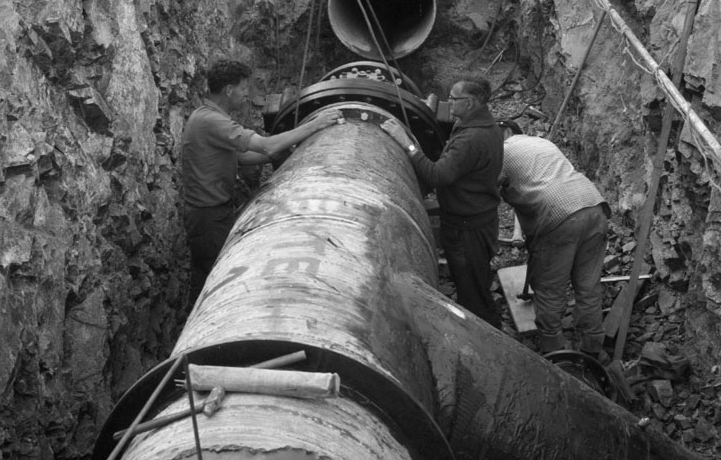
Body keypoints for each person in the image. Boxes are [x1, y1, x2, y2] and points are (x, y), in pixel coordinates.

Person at [182, 58, 343, 301]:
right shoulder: (212, 121)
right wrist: (314, 126)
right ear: (229, 90)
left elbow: (243, 158)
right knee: (217, 286)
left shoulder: (205, 117)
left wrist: (279, 156)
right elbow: (266, 146)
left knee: (204, 280)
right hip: (208, 218)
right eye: (244, 88)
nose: (247, 95)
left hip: (208, 214)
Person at [381, 76, 503, 328]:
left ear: (469, 103)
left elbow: (438, 175)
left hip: (467, 227)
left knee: (471, 289)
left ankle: (482, 335)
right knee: (475, 281)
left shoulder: (471, 139)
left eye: (454, 99)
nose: (449, 103)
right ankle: (483, 320)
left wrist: (408, 146)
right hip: (478, 219)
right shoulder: (484, 127)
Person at [499, 133, 610, 359]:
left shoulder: (502, 151)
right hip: (593, 204)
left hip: (558, 215)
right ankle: (592, 347)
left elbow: (489, 189)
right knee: (588, 286)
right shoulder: (540, 143)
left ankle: (556, 353)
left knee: (551, 290)